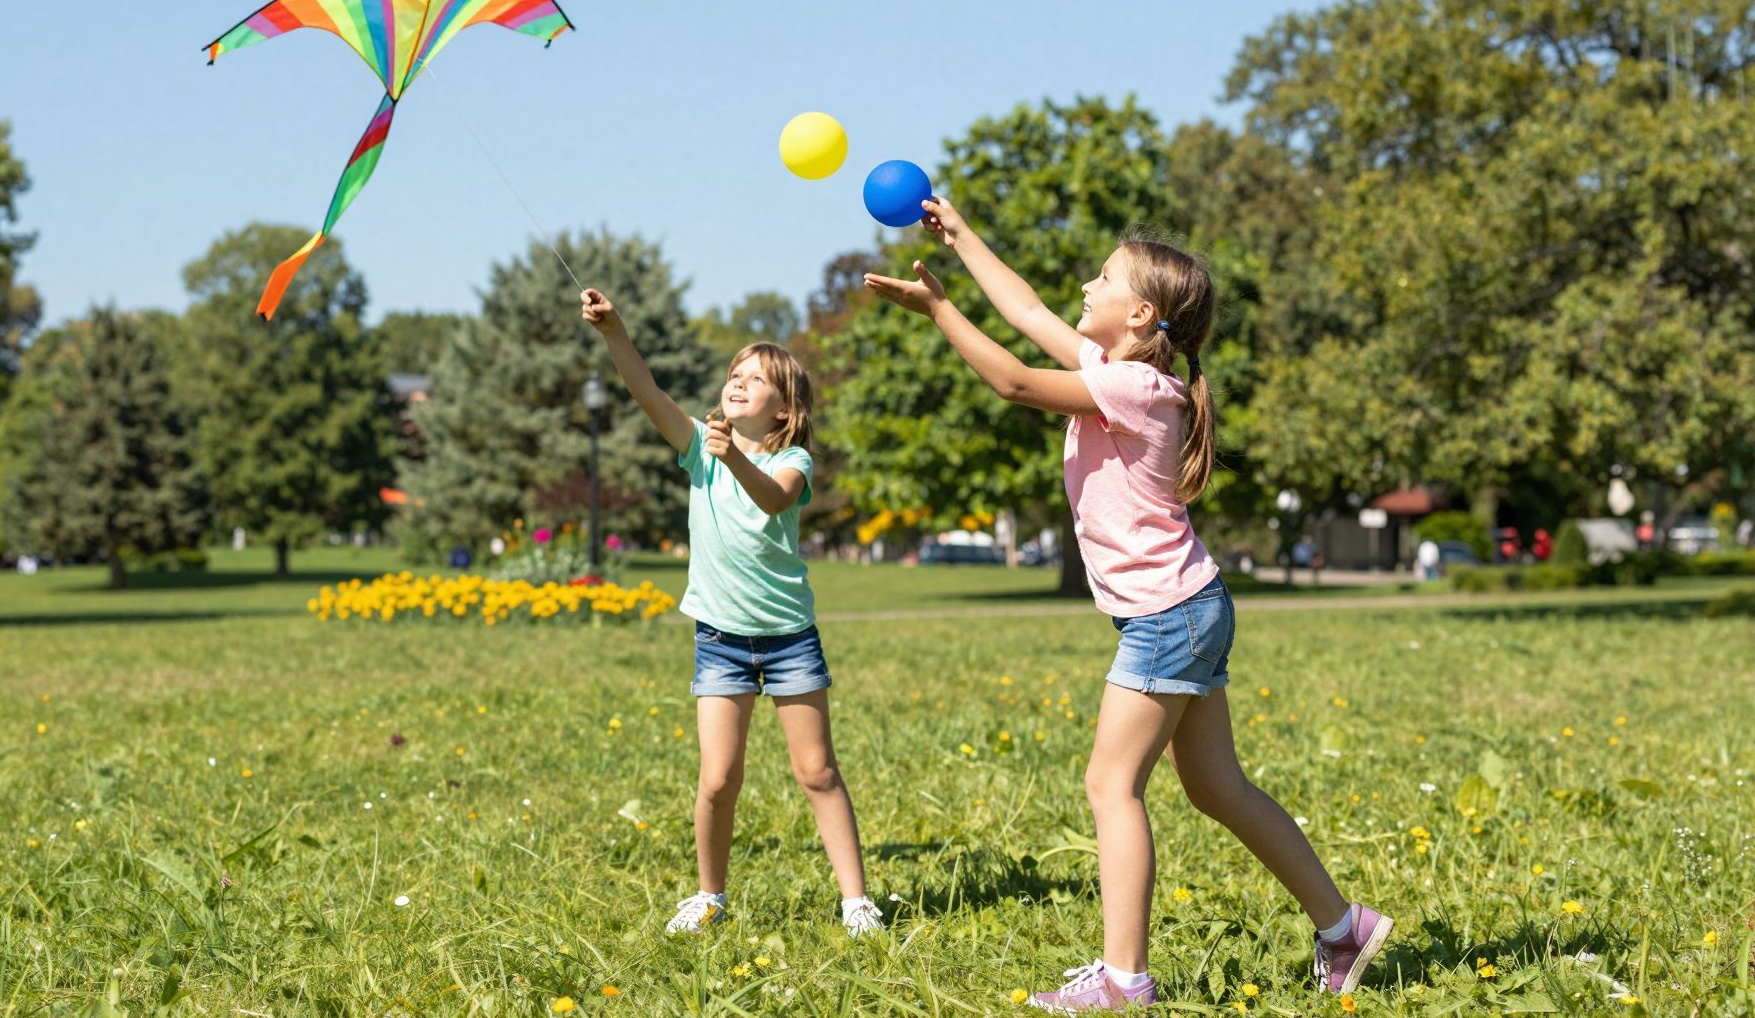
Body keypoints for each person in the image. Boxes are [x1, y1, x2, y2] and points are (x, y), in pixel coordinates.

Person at [865, 201, 1391, 1010]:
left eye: (1103, 277)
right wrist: (962, 237)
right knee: (1219, 790)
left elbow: (1010, 380)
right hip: (1189, 605)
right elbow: (1029, 311)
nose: (1086, 282)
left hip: (1166, 616)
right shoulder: (1132, 376)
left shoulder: (1132, 386)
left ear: (1141, 313)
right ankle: (1343, 927)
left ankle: (1123, 982)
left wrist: (940, 309)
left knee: (1111, 787)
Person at [581, 287, 882, 938]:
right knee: (717, 778)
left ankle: (856, 902)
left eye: (756, 380)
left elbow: (774, 500)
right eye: (734, 375)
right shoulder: (700, 446)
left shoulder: (788, 460)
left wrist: (733, 456)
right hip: (720, 639)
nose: (737, 384)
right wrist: (615, 334)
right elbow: (647, 391)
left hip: (788, 639)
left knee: (817, 771)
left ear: (785, 409)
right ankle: (710, 895)